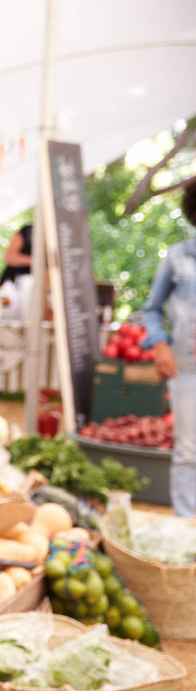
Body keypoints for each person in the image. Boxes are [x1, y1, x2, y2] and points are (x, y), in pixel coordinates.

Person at [141, 181, 196, 518]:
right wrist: (160, 344)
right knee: (189, 451)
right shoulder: (178, 257)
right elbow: (151, 308)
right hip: (188, 369)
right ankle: (187, 532)